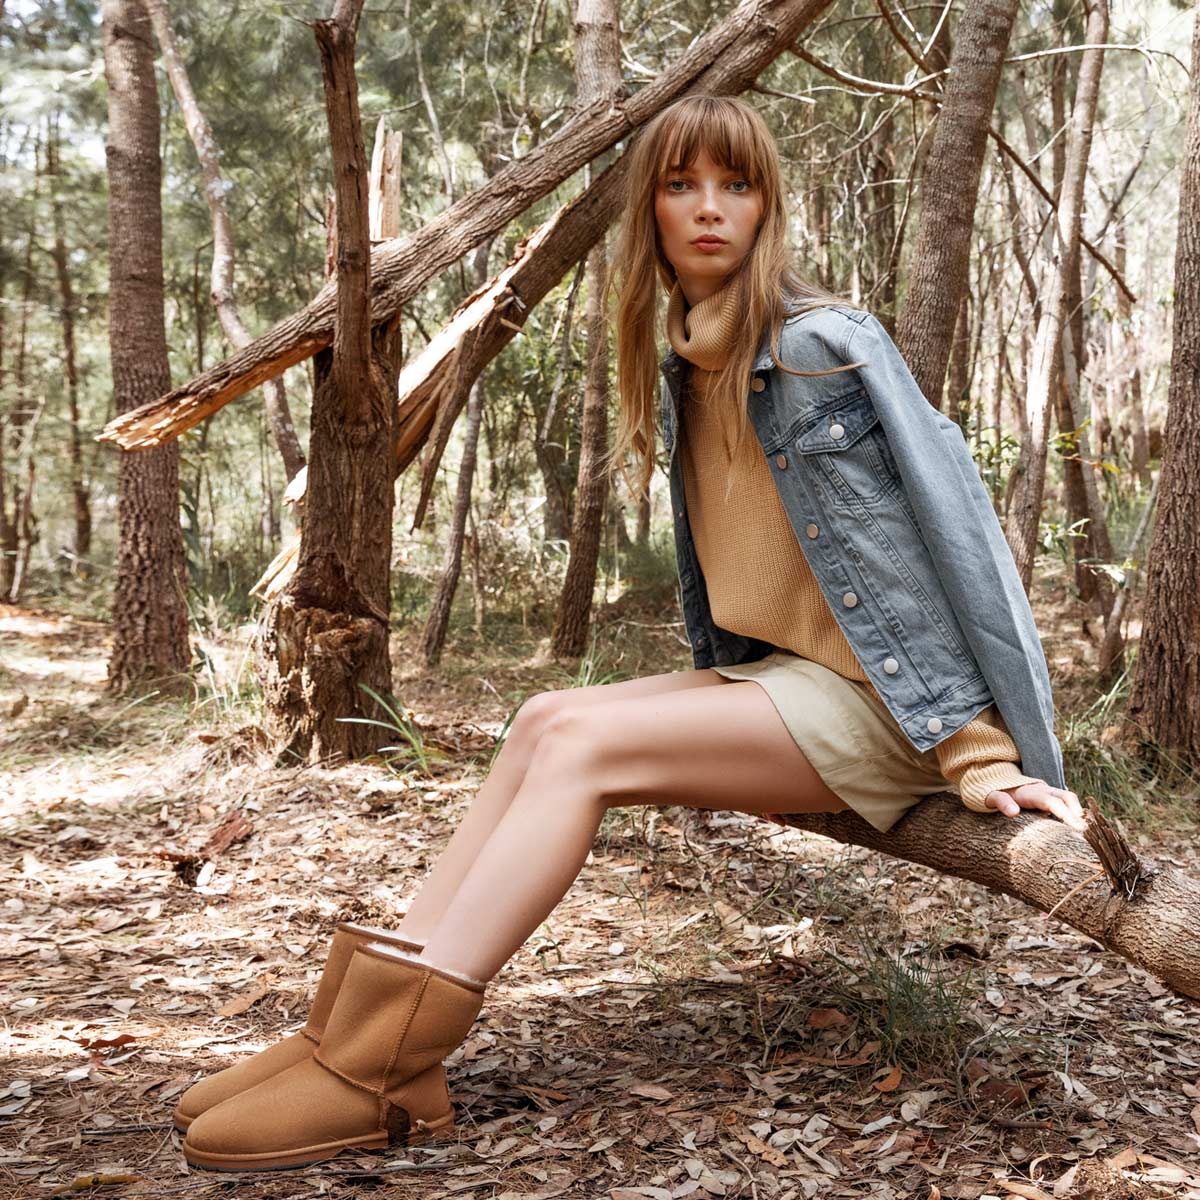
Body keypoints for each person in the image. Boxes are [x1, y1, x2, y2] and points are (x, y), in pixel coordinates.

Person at [176, 95, 1085, 1173]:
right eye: (681, 184)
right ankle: (352, 1037)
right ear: (649, 209)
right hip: (798, 675)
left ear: (767, 207)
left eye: (736, 186)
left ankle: (384, 1062)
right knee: (543, 715)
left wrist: (978, 746)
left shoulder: (818, 349)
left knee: (583, 750)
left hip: (893, 707)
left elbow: (942, 542)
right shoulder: (690, 356)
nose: (710, 210)